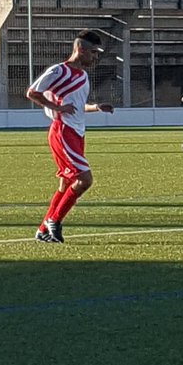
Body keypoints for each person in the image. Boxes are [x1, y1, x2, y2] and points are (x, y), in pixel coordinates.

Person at [26, 30, 115, 243]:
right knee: (85, 179)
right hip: (63, 131)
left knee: (66, 185)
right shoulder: (59, 71)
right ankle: (54, 220)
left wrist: (96, 107)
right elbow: (32, 93)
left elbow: (76, 106)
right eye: (93, 52)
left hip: (77, 132)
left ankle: (42, 230)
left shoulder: (83, 76)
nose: (95, 57)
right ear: (80, 49)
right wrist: (56, 107)